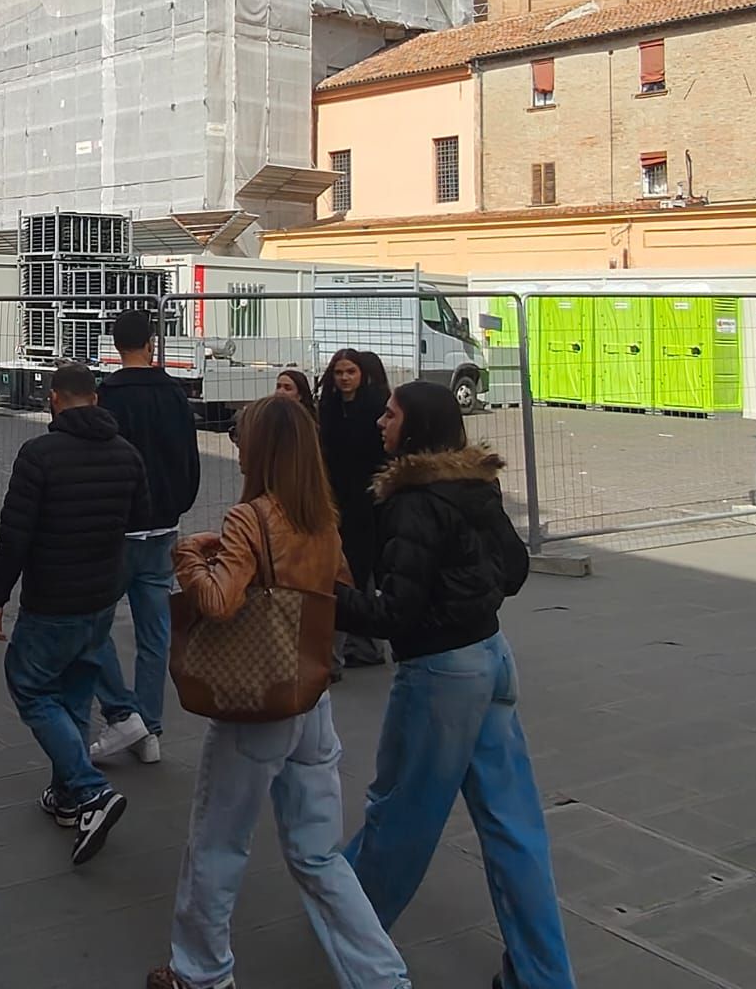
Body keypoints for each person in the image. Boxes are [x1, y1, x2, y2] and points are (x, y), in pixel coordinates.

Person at [148, 396, 408, 989]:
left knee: (217, 842)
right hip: (311, 696)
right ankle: (382, 977)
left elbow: (217, 603)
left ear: (263, 449)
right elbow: (336, 587)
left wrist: (190, 558)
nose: (237, 445)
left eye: (244, 436)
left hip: (257, 703)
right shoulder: (321, 515)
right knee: (319, 854)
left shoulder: (252, 517)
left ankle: (200, 972)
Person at [335, 380, 571, 989]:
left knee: (399, 818)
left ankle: (346, 926)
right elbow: (513, 569)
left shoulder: (412, 501)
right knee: (514, 828)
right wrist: (472, 599)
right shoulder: (475, 484)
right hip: (492, 659)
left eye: (390, 414)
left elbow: (395, 615)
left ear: (415, 429)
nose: (380, 422)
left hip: (441, 674)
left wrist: (323, 599)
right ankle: (543, 976)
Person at [0, 361, 149, 866]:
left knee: (31, 686)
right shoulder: (126, 454)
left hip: (52, 599)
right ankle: (67, 798)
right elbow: (140, 519)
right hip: (100, 597)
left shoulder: (38, 456)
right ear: (95, 400)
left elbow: (15, 535)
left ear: (54, 397)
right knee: (75, 696)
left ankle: (89, 788)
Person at [87, 308, 202, 768]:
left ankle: (121, 712)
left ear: (115, 346)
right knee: (155, 634)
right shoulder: (173, 393)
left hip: (117, 530)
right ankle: (150, 729)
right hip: (163, 527)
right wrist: (176, 503)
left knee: (91, 625)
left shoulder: (107, 396)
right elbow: (189, 459)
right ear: (151, 343)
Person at [319, 349, 391, 669]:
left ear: (362, 374)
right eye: (339, 373)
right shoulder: (330, 409)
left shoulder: (374, 409)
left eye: (350, 372)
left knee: (358, 570)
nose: (345, 378)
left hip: (367, 501)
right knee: (348, 569)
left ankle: (360, 645)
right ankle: (363, 644)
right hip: (337, 499)